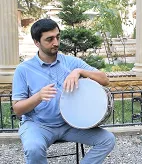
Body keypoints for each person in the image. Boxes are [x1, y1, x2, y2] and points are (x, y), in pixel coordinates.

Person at [12, 19, 116, 164]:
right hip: (38, 125)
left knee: (107, 140)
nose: (56, 42)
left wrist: (79, 71)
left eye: (58, 37)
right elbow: (17, 109)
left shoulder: (71, 63)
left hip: (70, 125)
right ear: (37, 42)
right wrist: (38, 97)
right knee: (33, 148)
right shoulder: (23, 70)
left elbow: (105, 79)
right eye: (49, 39)